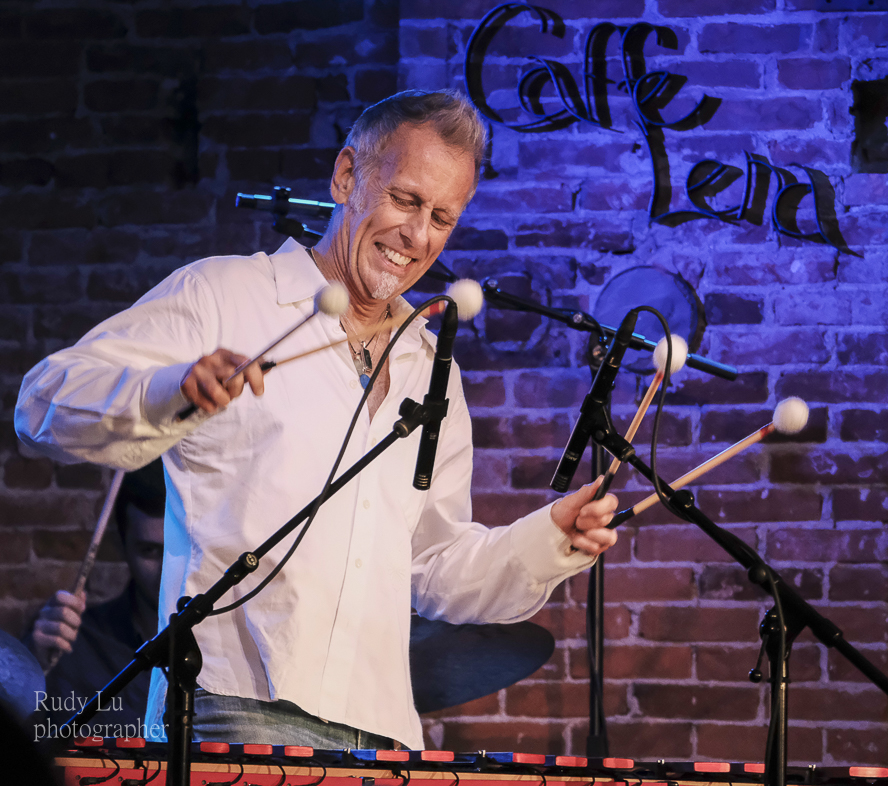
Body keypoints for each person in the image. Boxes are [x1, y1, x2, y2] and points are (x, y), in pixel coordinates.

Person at [14, 90, 617, 750]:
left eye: (442, 217)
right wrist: (172, 387)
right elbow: (46, 402)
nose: (418, 237)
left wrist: (547, 539)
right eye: (407, 200)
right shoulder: (226, 295)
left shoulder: (428, 363)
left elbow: (435, 566)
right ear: (346, 177)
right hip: (235, 706)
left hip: (380, 728)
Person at [28, 460, 165, 733]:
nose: (166, 571)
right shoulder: (76, 646)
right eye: (150, 551)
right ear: (122, 545)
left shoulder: (230, 652)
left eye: (176, 550)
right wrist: (32, 668)